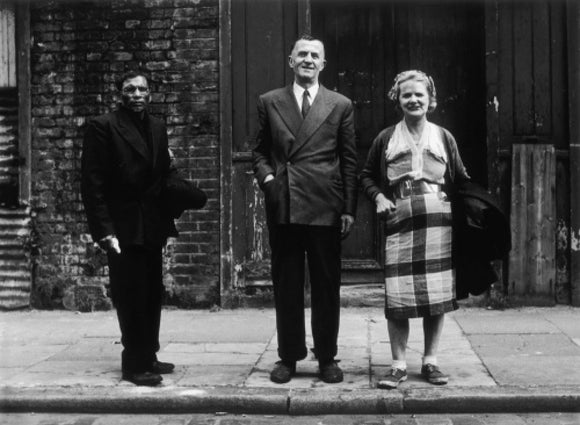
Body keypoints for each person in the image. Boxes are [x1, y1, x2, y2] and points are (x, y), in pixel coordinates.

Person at [81, 71, 206, 386]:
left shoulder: (157, 127)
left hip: (152, 222)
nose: (136, 94)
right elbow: (92, 184)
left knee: (151, 292)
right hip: (122, 225)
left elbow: (163, 174)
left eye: (142, 89)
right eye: (130, 89)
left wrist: (184, 194)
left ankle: (149, 354)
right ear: (120, 94)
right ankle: (133, 365)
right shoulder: (103, 126)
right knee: (129, 293)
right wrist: (104, 230)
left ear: (150, 94)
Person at [253, 35, 358, 384]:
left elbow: (349, 161)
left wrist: (348, 208)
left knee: (327, 285)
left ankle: (327, 356)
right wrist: (269, 180)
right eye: (302, 54)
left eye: (315, 55)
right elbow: (259, 152)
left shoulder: (340, 104)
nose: (308, 60)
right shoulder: (270, 102)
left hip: (325, 205)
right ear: (291, 60)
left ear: (323, 64)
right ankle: (289, 356)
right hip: (285, 203)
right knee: (287, 283)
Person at [359, 70, 471, 389]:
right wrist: (379, 196)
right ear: (398, 100)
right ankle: (397, 365)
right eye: (406, 95)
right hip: (400, 222)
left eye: (419, 95)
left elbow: (462, 179)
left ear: (430, 100)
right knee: (399, 298)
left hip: (438, 224)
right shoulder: (386, 138)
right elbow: (366, 177)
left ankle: (431, 362)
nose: (413, 100)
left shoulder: (444, 137)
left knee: (435, 296)